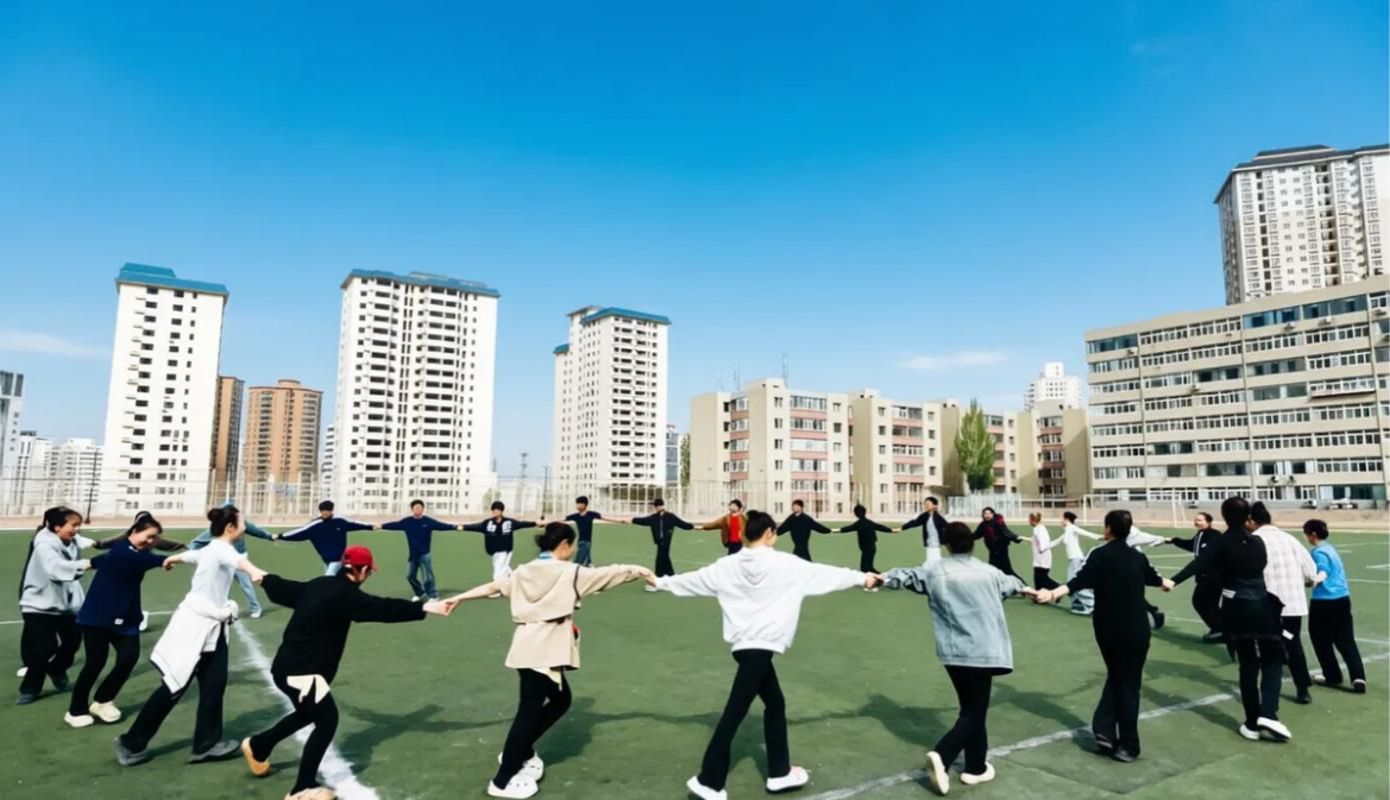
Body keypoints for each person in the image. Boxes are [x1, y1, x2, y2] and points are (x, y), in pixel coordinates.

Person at [649, 510, 877, 800]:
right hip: (761, 649)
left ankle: (780, 773)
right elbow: (827, 574)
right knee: (734, 713)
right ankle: (710, 781)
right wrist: (863, 578)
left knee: (775, 703)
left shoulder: (726, 566)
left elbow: (692, 580)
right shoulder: (788, 564)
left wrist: (660, 582)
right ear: (769, 533)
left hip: (745, 649)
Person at [445, 522, 651, 799]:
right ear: (564, 545)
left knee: (561, 699)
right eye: (572, 545)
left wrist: (459, 598)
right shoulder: (571, 572)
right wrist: (639, 570)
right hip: (543, 652)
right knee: (528, 712)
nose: (573, 550)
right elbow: (609, 574)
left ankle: (521, 749)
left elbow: (495, 587)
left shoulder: (523, 571)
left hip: (527, 647)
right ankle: (503, 779)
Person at [241, 545, 454, 800]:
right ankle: (302, 789)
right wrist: (424, 608)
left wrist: (262, 576)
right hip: (304, 673)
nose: (368, 576)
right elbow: (382, 608)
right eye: (369, 572)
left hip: (286, 667)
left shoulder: (319, 584)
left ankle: (259, 746)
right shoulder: (347, 596)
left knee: (309, 713)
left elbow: (282, 587)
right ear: (361, 571)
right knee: (326, 720)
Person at [882, 521, 1036, 794]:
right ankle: (942, 755)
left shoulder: (935, 571)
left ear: (946, 544)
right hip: (983, 651)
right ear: (972, 543)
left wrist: (880, 577)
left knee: (972, 710)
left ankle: (976, 767)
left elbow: (907, 576)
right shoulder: (988, 571)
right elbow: (1012, 584)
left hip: (953, 652)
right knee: (974, 712)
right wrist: (1029, 590)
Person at [115, 505, 268, 767]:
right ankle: (131, 743)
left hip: (212, 630)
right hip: (196, 627)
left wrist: (174, 558)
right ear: (230, 527)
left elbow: (194, 555)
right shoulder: (222, 550)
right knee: (174, 687)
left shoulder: (211, 549)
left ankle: (206, 745)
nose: (245, 526)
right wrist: (254, 571)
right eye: (242, 522)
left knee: (214, 684)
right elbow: (238, 562)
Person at [1034, 510, 1172, 762]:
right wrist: (1166, 583)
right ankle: (1127, 744)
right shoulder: (1137, 557)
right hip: (1136, 630)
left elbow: (1078, 581)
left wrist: (1053, 594)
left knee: (1119, 677)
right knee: (1128, 683)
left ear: (1108, 529)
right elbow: (1153, 578)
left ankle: (1107, 732)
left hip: (1108, 630)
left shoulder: (1100, 555)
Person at [1171, 497, 1291, 742]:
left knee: (1248, 664)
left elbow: (1199, 563)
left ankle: (1252, 722)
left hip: (1237, 606)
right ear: (1248, 517)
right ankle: (1269, 712)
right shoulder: (1257, 542)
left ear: (1224, 516)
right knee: (1272, 658)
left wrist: (1173, 581)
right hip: (1263, 604)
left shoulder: (1221, 542)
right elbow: (1260, 566)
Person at [66, 513, 171, 728]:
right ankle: (75, 710)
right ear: (134, 532)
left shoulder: (130, 552)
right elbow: (139, 560)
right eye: (148, 536)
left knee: (128, 658)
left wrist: (91, 563)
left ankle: (103, 700)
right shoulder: (123, 552)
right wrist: (168, 560)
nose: (151, 542)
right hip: (98, 616)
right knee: (95, 663)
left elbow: (101, 560)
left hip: (126, 618)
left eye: (154, 538)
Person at [17, 506, 93, 705]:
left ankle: (57, 669)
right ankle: (29, 689)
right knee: (45, 647)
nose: (77, 529)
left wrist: (129, 538)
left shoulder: (70, 538)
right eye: (73, 525)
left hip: (65, 605)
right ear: (57, 527)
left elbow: (95, 543)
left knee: (73, 641)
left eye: (79, 525)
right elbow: (55, 568)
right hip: (39, 604)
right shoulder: (44, 544)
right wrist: (87, 564)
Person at [1248, 501, 1318, 705]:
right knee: (1293, 644)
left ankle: (1268, 698)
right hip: (1293, 603)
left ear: (1251, 521)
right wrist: (1305, 581)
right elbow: (1310, 571)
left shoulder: (1253, 541)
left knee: (1266, 649)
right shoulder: (1289, 539)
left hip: (1266, 605)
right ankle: (1303, 688)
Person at [1303, 519, 1366, 694]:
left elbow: (1323, 571)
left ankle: (1332, 674)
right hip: (1342, 599)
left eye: (1306, 534)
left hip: (1324, 602)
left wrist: (1314, 580)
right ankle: (1358, 677)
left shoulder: (1319, 552)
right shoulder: (1331, 549)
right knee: (1346, 640)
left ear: (1313, 534)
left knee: (1320, 639)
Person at [189, 502, 273, 619]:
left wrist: (269, 536)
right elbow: (195, 543)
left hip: (240, 559)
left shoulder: (241, 524)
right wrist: (197, 554)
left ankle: (255, 608)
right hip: (224, 560)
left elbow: (255, 530)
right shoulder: (217, 529)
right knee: (222, 585)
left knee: (246, 585)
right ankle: (224, 609)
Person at [381, 499, 462, 600]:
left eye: (420, 507)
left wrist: (454, 527)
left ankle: (433, 595)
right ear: (412, 509)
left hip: (425, 554)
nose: (418, 509)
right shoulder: (407, 522)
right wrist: (382, 526)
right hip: (413, 555)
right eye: (416, 507)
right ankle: (419, 593)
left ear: (423, 509)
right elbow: (395, 525)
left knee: (428, 577)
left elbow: (441, 526)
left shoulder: (428, 521)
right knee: (410, 576)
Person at [277, 500, 374, 576]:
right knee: (336, 581)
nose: (324, 513)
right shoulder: (315, 525)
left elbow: (356, 523)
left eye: (327, 510)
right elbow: (299, 532)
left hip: (338, 559)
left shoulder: (340, 521)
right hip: (326, 560)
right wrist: (280, 536)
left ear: (331, 511)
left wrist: (371, 526)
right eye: (322, 511)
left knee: (328, 580)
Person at [1168, 512, 1223, 641]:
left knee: (1201, 602)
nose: (1196, 522)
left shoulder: (1214, 535)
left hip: (1214, 577)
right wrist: (1174, 541)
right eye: (1196, 520)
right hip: (1205, 577)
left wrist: (1175, 580)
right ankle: (1222, 628)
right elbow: (1192, 545)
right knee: (1208, 604)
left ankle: (1220, 629)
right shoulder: (1200, 534)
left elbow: (1202, 561)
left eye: (1200, 520)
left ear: (1208, 522)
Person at [462, 501, 539, 585]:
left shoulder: (509, 522)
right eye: (493, 510)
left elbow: (522, 524)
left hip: (505, 550)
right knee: (505, 569)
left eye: (496, 510)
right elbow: (475, 526)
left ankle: (497, 586)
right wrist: (461, 527)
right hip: (494, 552)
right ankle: (519, 580)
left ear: (501, 511)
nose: (494, 512)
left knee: (498, 572)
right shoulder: (488, 523)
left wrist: (535, 523)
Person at [632, 497, 695, 580]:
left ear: (656, 506)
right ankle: (669, 574)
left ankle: (661, 575)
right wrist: (633, 520)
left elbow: (683, 524)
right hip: (661, 541)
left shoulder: (667, 516)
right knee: (664, 557)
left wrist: (691, 526)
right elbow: (643, 521)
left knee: (661, 557)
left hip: (664, 541)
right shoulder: (659, 517)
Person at [1055, 512, 1102, 615]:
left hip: (1076, 559)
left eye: (1062, 518)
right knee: (1072, 583)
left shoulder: (1072, 528)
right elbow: (1056, 542)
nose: (1060, 521)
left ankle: (1092, 603)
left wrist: (1100, 537)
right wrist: (1042, 548)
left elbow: (1085, 533)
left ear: (1066, 519)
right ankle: (1080, 604)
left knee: (1075, 583)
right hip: (1073, 560)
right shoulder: (1066, 531)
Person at [564, 496, 629, 567]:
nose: (577, 506)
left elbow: (605, 518)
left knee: (582, 559)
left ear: (585, 505)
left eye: (579, 504)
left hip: (588, 541)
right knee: (582, 558)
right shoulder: (575, 516)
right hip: (582, 541)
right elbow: (563, 520)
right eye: (577, 504)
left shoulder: (591, 514)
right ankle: (585, 565)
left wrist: (620, 521)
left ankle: (585, 565)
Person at [839, 504, 893, 582]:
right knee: (869, 567)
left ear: (856, 514)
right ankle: (882, 578)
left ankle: (881, 579)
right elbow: (881, 527)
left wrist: (834, 530)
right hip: (872, 547)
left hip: (866, 548)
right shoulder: (869, 523)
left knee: (865, 568)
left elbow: (847, 529)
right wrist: (891, 530)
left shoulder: (858, 524)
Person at [973, 508, 1023, 582]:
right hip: (993, 551)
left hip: (1001, 550)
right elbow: (976, 535)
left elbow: (1006, 532)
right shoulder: (983, 525)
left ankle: (1022, 585)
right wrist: (964, 537)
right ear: (983, 515)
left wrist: (1015, 538)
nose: (987, 515)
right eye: (985, 514)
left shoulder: (998, 523)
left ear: (993, 514)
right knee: (993, 570)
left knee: (1007, 570)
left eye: (989, 513)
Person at [901, 496, 949, 566]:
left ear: (935, 506)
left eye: (928, 504)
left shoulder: (939, 518)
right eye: (925, 504)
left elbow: (947, 528)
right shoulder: (925, 516)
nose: (925, 506)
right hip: (928, 543)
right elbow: (915, 522)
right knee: (931, 562)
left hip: (936, 544)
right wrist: (903, 527)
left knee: (934, 562)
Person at [1029, 512, 1060, 591]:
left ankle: (1059, 588)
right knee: (1039, 582)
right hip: (1043, 560)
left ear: (1032, 520)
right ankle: (1040, 594)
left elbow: (1041, 546)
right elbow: (1037, 541)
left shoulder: (1037, 530)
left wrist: (1040, 549)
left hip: (1041, 561)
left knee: (1042, 580)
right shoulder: (1042, 528)